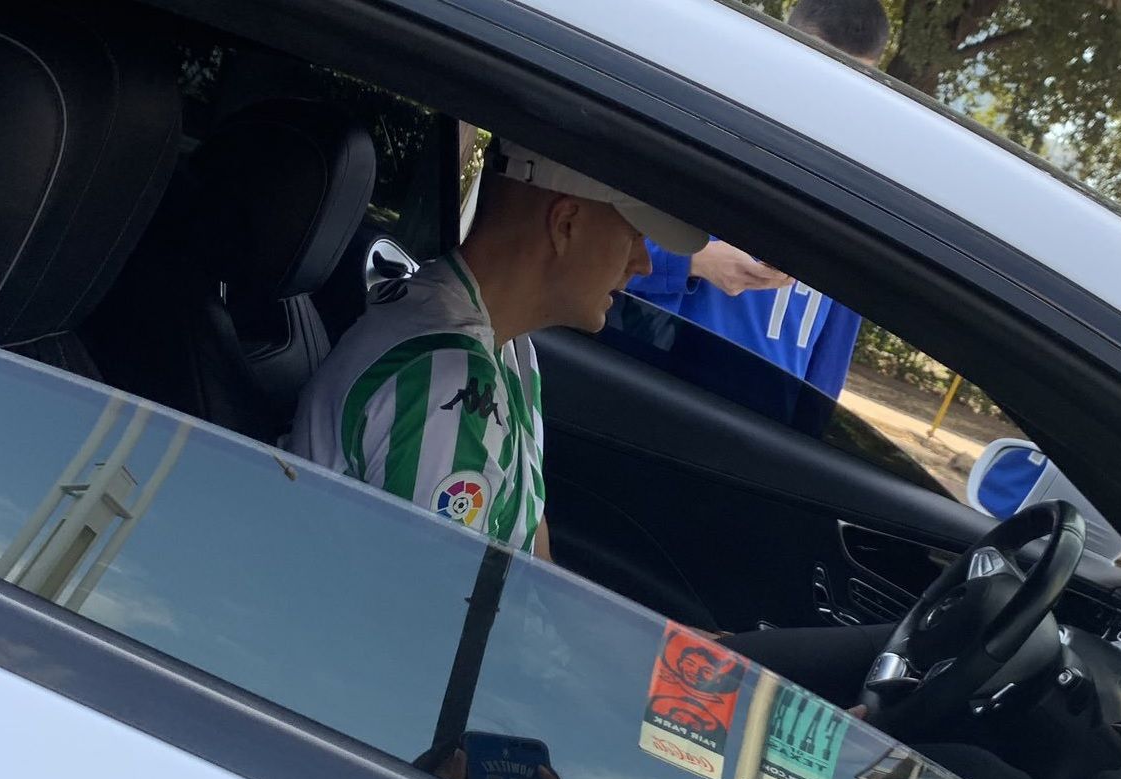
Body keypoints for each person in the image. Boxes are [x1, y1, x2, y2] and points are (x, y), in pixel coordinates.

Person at [288, 138, 708, 558]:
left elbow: (529, 545)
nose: (644, 264)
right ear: (565, 225)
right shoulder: (442, 389)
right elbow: (435, 613)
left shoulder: (509, 349)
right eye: (634, 237)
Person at [624, 0, 891, 399]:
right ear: (783, 46)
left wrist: (807, 439)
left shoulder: (863, 197)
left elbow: (830, 358)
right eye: (818, 74)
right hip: (657, 396)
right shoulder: (709, 139)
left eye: (852, 82)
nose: (832, 98)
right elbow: (593, 252)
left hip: (764, 429)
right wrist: (695, 261)